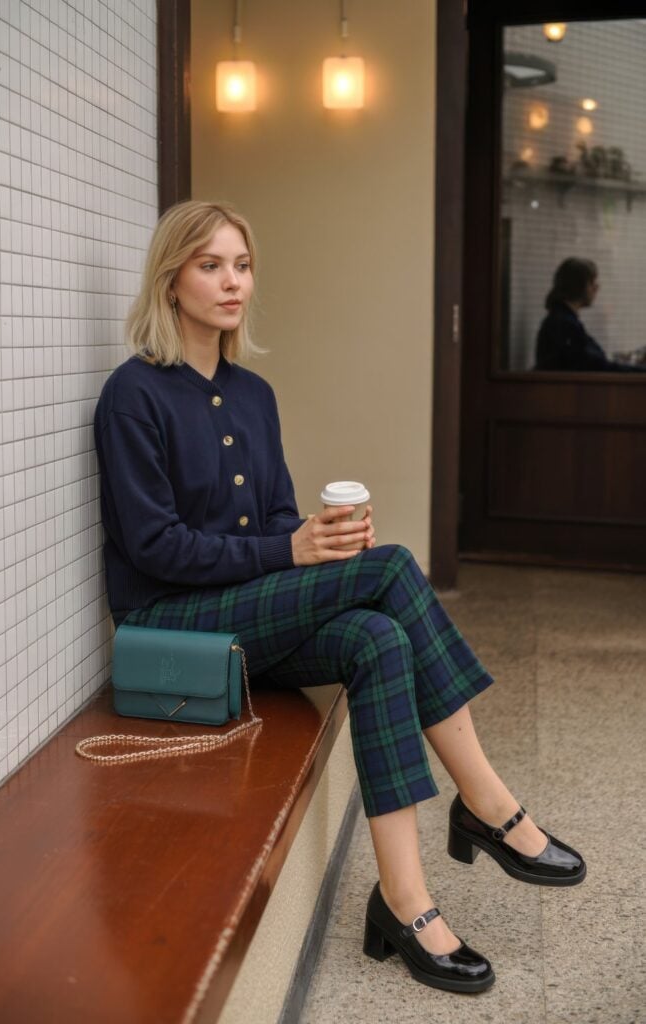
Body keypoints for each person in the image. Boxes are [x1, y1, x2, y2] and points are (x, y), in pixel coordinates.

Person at [94, 200, 585, 994]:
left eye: (242, 265)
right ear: (170, 279)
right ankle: (486, 801)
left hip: (248, 608)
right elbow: (153, 549)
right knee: (391, 568)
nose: (231, 282)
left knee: (377, 639)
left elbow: (280, 518)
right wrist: (287, 551)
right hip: (172, 626)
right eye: (209, 265)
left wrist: (315, 542)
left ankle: (405, 900)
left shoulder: (253, 394)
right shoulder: (133, 395)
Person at [535, 257, 646, 372]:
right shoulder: (564, 325)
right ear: (578, 285)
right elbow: (596, 366)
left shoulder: (564, 321)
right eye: (592, 282)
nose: (597, 287)